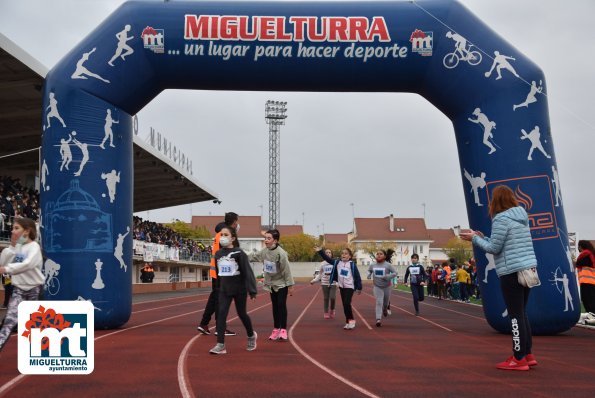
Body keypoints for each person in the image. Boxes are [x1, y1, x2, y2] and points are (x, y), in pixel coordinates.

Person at [460, 185, 538, 371]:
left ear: (496, 201)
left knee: (515, 315)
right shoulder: (521, 217)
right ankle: (527, 353)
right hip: (527, 269)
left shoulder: (501, 219)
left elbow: (494, 248)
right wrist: (482, 236)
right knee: (522, 313)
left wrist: (474, 239)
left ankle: (518, 358)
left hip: (511, 271)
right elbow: (503, 243)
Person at [209, 226, 257, 355]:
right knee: (221, 315)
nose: (223, 237)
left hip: (239, 289)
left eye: (226, 235)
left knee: (242, 314)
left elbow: (248, 272)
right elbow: (218, 273)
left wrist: (252, 290)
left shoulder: (239, 253)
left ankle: (251, 335)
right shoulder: (218, 254)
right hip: (224, 290)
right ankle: (220, 345)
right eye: (221, 235)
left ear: (233, 238)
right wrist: (217, 288)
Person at [0, 217, 44, 352]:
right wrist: (12, 246)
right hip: (18, 289)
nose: (13, 231)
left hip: (35, 290)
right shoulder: (18, 247)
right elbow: (4, 261)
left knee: (34, 324)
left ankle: (37, 353)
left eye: (16, 228)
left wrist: (7, 269)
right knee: (9, 321)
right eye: (13, 228)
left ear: (27, 231)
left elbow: (27, 264)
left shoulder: (34, 247)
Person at [197, 212, 239, 336]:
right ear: (234, 222)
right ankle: (220, 328)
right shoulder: (225, 235)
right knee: (221, 299)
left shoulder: (219, 232)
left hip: (216, 270)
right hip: (222, 271)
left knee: (215, 298)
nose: (237, 225)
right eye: (236, 222)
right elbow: (229, 253)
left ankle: (204, 323)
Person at [250, 229, 294, 341]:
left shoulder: (281, 253)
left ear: (275, 240)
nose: (266, 240)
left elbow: (286, 270)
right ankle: (276, 329)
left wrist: (290, 286)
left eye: (269, 238)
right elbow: (254, 257)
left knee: (281, 305)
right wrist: (241, 256)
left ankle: (283, 330)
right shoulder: (264, 251)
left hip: (281, 283)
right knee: (275, 306)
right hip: (271, 283)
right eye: (265, 238)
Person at [316, 246, 362, 330]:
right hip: (341, 287)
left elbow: (357, 276)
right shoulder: (337, 263)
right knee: (345, 305)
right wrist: (320, 251)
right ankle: (347, 322)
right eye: (342, 253)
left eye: (346, 253)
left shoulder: (352, 265)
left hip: (350, 287)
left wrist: (359, 287)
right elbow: (327, 259)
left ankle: (351, 320)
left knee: (347, 303)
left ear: (350, 256)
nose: (343, 255)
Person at [367, 250, 397, 327]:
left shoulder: (388, 265)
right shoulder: (373, 265)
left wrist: (388, 277)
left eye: (381, 254)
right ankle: (378, 319)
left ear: (384, 256)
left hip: (387, 286)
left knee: (386, 303)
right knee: (379, 302)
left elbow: (395, 273)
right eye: (377, 254)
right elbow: (369, 270)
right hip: (377, 286)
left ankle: (385, 309)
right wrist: (369, 274)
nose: (379, 255)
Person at [310, 248, 337, 319]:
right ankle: (326, 312)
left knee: (332, 297)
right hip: (324, 283)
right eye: (326, 252)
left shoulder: (335, 262)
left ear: (332, 254)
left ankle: (332, 309)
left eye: (329, 252)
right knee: (326, 298)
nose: (328, 253)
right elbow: (320, 274)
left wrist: (338, 283)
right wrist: (314, 280)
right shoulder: (322, 264)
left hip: (333, 283)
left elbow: (338, 274)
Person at [575, 240, 595, 316]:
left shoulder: (586, 254)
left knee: (588, 300)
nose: (578, 248)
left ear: (581, 246)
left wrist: (574, 262)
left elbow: (579, 263)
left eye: (579, 246)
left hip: (588, 281)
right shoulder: (590, 254)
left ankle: (592, 315)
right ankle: (591, 314)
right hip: (589, 282)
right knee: (589, 299)